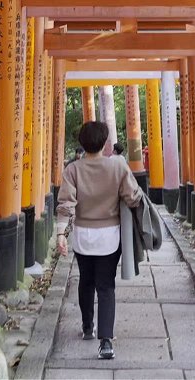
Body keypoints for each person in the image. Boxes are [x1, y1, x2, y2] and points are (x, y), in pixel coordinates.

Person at [56, 121, 141, 360]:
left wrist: (61, 233)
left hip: (83, 236)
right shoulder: (117, 167)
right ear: (105, 143)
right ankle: (106, 342)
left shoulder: (72, 170)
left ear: (82, 144)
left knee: (86, 281)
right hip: (109, 237)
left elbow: (66, 204)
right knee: (106, 286)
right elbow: (133, 197)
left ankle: (86, 327)